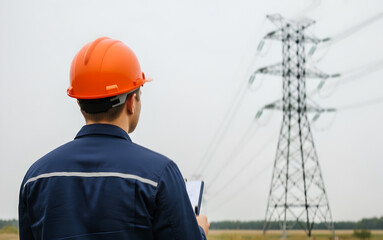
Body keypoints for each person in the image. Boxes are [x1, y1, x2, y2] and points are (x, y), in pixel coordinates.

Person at [19, 37, 209, 240]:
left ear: (80, 102)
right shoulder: (160, 175)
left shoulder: (34, 179)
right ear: (131, 102)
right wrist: (200, 232)